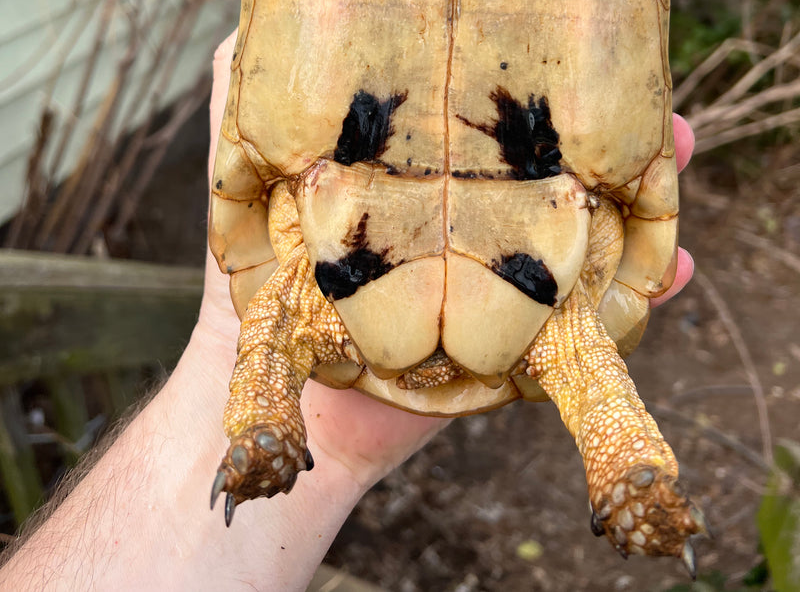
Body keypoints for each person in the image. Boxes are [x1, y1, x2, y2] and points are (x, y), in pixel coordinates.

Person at [0, 33, 695, 591]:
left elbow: (269, 330)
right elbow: (600, 381)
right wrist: (630, 472)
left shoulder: (309, 295)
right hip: (543, 192)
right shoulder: (557, 326)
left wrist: (264, 417)